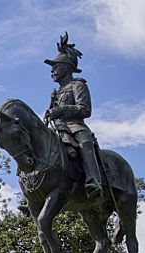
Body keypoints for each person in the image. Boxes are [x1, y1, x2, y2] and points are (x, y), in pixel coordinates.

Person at [43, 33, 104, 198]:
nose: (52, 70)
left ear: (66, 67)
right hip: (58, 129)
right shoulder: (56, 92)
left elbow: (85, 109)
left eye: (56, 66)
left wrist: (61, 111)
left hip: (76, 127)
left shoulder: (78, 85)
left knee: (85, 143)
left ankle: (94, 180)